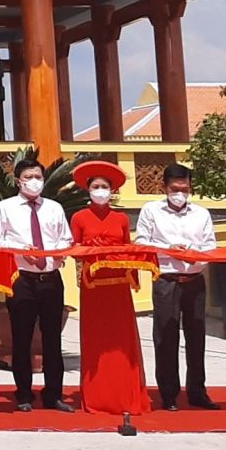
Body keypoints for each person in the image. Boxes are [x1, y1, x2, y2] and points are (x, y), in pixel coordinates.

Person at [0, 155, 74, 412]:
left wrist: (59, 252)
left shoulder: (54, 208)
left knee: (52, 339)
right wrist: (19, 249)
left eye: (38, 177)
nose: (34, 182)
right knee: (22, 337)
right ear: (18, 181)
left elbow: (65, 238)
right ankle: (24, 394)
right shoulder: (5, 207)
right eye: (28, 178)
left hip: (50, 278)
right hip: (21, 279)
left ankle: (54, 394)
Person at [68, 161, 150, 416]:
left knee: (121, 341)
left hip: (118, 287)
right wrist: (92, 250)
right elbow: (74, 250)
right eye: (96, 186)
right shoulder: (79, 217)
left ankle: (125, 395)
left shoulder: (121, 218)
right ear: (88, 190)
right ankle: (97, 396)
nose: (100, 190)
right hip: (94, 288)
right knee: (97, 341)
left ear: (112, 191)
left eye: (105, 186)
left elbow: (128, 248)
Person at [134, 163, 217, 410]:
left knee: (196, 337)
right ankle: (169, 394)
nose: (180, 192)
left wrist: (196, 257)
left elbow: (210, 245)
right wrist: (168, 251)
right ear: (164, 187)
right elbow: (142, 243)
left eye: (185, 188)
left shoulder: (201, 213)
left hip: (194, 280)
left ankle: (197, 392)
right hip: (166, 279)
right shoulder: (151, 211)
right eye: (174, 188)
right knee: (166, 336)